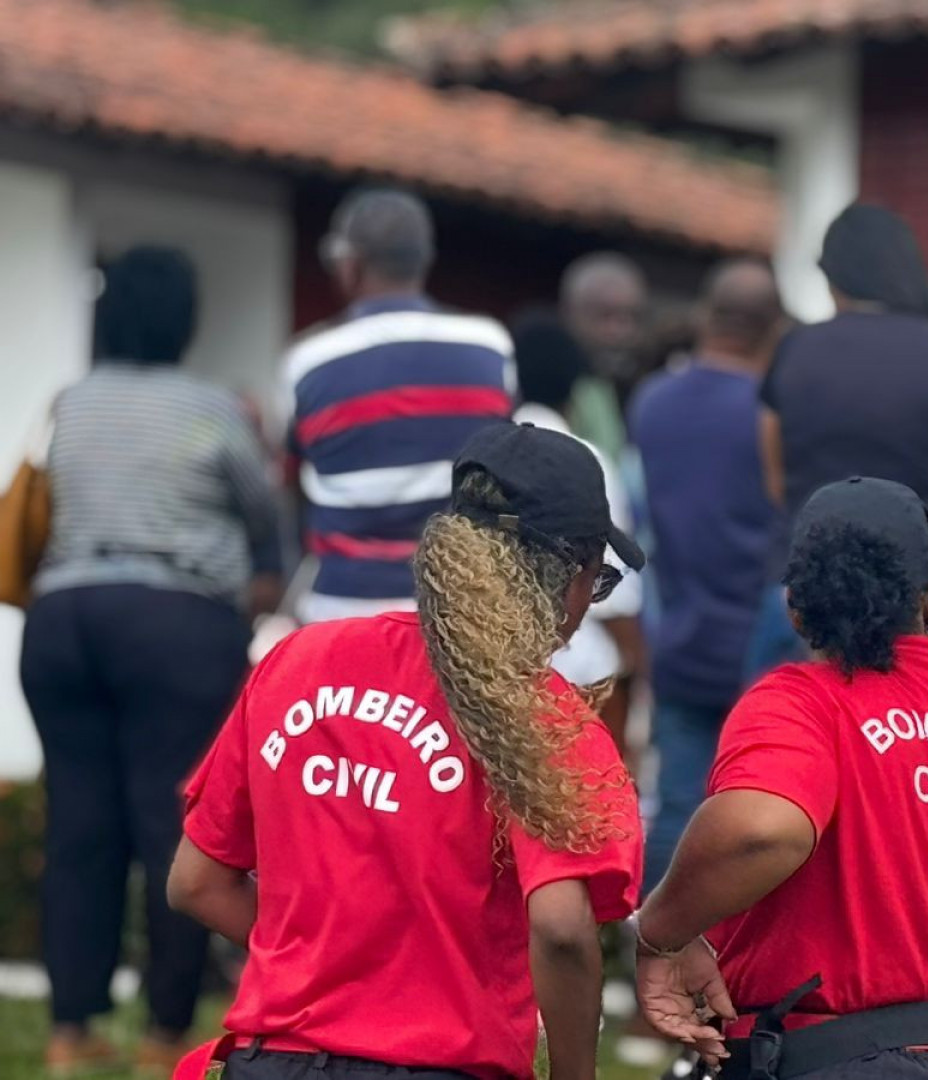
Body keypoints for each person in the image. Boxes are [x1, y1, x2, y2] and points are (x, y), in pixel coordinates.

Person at [166, 424, 681, 1080]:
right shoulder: (546, 721)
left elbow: (196, 882)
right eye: (599, 581)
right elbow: (559, 926)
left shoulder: (300, 660)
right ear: (571, 573)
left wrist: (326, 963)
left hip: (272, 1063)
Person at [632, 476, 928, 1079]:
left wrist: (658, 933)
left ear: (795, 605)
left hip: (834, 1056)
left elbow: (762, 828)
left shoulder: (801, 705)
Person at [20, 247, 281, 1075]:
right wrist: (262, 581)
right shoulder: (210, 409)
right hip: (174, 623)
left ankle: (71, 1031)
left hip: (62, 620)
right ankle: (165, 1034)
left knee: (79, 831)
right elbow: (263, 511)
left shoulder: (71, 402)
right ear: (184, 317)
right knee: (179, 828)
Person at [619, 260, 785, 1067]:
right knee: (763, 820)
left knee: (679, 808)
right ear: (771, 327)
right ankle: (741, 985)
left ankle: (653, 983)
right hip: (761, 641)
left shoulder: (653, 402)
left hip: (679, 631)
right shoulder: (771, 408)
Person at [749, 203, 928, 675]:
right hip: (915, 599)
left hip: (800, 585)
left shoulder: (793, 348)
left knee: (786, 736)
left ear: (834, 276)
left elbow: (775, 483)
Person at [284, 188, 514, 624]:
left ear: (349, 264)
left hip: (342, 610)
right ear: (424, 261)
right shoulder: (489, 345)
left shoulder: (308, 360)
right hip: (459, 612)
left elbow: (294, 480)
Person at [509, 310, 646, 741]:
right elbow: (615, 593)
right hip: (584, 679)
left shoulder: (481, 457)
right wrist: (638, 666)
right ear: (575, 388)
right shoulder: (588, 461)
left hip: (500, 676)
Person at [560, 251, 649, 459]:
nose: (620, 330)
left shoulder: (642, 393)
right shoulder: (551, 394)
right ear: (569, 314)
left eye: (631, 317)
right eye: (604, 316)